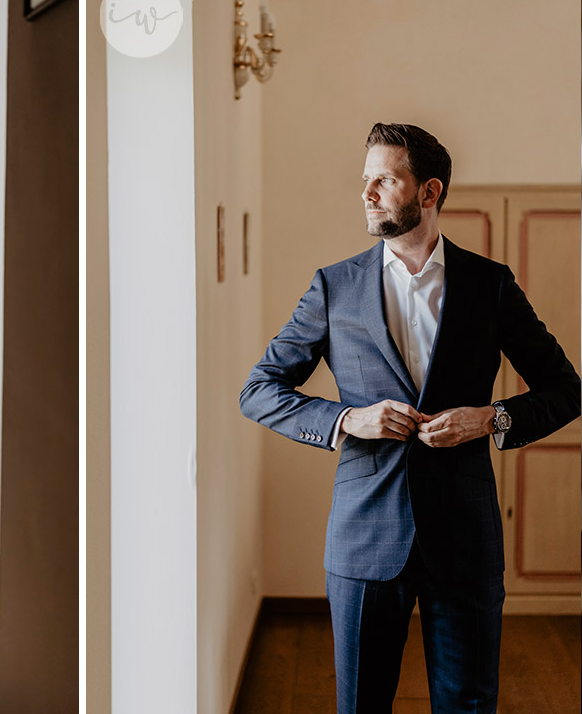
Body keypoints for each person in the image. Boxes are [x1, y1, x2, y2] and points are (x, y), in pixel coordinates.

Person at [239, 123, 580, 713]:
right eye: (364, 181)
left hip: (466, 538)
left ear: (428, 191)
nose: (367, 194)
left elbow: (565, 390)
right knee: (361, 704)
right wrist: (348, 420)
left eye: (384, 180)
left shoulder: (489, 285)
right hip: (364, 538)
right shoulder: (334, 287)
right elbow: (259, 390)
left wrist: (491, 418)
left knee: (469, 703)